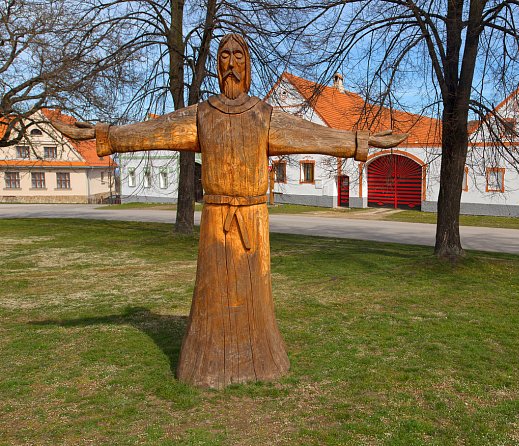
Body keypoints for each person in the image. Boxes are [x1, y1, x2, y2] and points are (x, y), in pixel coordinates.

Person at [52, 33, 406, 388]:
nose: (231, 63)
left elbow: (315, 136)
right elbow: (154, 131)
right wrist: (106, 134)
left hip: (253, 218)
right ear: (218, 65)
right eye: (224, 56)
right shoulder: (202, 115)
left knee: (254, 295)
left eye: (239, 56)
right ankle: (206, 360)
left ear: (247, 64)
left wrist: (363, 141)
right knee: (213, 292)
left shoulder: (265, 116)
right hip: (216, 220)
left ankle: (261, 360)